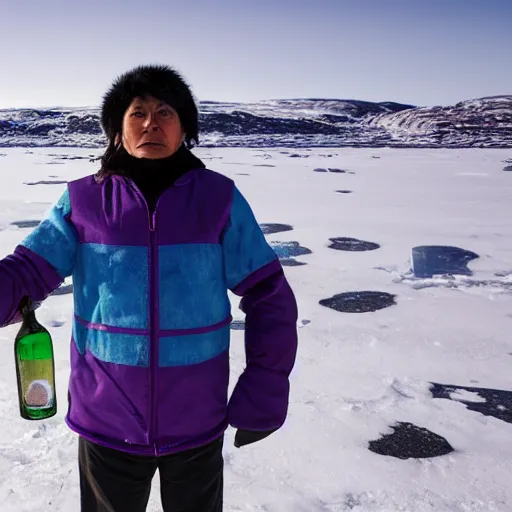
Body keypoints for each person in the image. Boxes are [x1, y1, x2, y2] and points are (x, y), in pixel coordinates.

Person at [0, 64, 298, 511]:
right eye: (137, 113)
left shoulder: (218, 200)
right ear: (118, 131)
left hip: (197, 418)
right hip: (106, 416)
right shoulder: (83, 202)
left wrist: (266, 387)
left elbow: (268, 295)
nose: (151, 123)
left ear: (185, 130)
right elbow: (27, 272)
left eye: (165, 112)